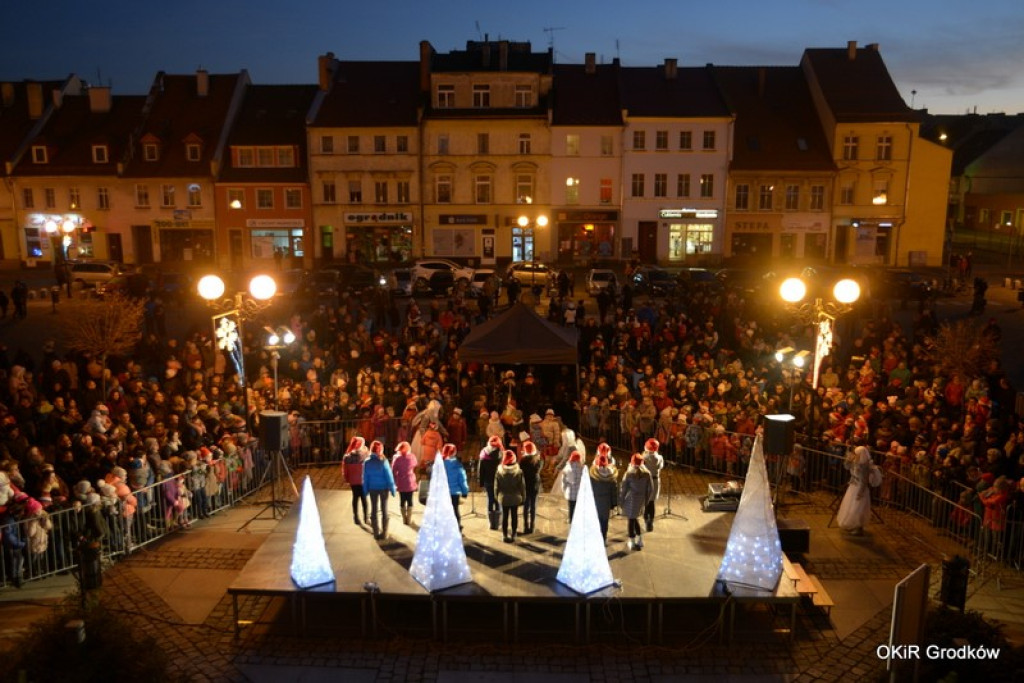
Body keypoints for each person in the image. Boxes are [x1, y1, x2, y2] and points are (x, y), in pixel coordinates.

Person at [363, 440, 396, 539]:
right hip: (383, 488)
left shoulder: (367, 462)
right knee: (384, 509)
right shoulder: (384, 461)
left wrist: (365, 490)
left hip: (373, 488)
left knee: (374, 509)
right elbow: (389, 476)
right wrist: (392, 489)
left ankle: (376, 532)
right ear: (380, 450)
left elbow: (365, 478)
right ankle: (385, 533)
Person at [620, 453, 654, 551]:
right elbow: (650, 489)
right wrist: (646, 500)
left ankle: (632, 541)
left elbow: (624, 488)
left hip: (631, 500)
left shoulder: (629, 474)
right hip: (641, 500)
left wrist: (621, 501)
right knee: (634, 519)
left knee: (631, 520)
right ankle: (639, 539)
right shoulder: (647, 474)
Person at [837, 445, 874, 535]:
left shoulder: (865, 465)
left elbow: (864, 480)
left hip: (860, 488)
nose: (855, 455)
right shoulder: (855, 461)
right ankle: (851, 525)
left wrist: (861, 492)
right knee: (850, 506)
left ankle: (858, 527)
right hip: (853, 487)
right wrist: (848, 460)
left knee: (858, 508)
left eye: (857, 454)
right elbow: (846, 467)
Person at [495, 449, 525, 543]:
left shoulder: (499, 471)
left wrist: (497, 497)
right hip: (515, 497)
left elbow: (496, 487)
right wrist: (523, 497)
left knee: (505, 516)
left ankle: (504, 535)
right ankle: (514, 534)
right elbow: (522, 486)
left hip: (504, 498)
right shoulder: (519, 472)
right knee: (514, 516)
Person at [589, 449, 619, 542]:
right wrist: (614, 503)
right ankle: (603, 537)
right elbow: (614, 491)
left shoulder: (593, 477)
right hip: (606, 503)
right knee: (605, 520)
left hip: (596, 501)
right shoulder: (611, 477)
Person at [341, 436, 368, 525]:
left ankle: (356, 516)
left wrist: (346, 478)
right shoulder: (365, 455)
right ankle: (366, 516)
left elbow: (345, 470)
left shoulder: (347, 457)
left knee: (355, 497)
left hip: (353, 480)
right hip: (362, 480)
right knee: (364, 498)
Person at [442, 443, 469, 531]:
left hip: (443, 492)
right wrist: (465, 491)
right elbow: (462, 479)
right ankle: (457, 526)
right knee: (455, 509)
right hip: (454, 492)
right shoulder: (457, 465)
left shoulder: (440, 464)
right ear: (454, 452)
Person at [478, 435, 503, 530]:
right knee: (498, 500)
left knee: (490, 499)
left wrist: (481, 482)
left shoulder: (483, 453)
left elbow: (481, 470)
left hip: (488, 481)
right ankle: (497, 522)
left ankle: (491, 522)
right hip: (498, 481)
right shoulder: (500, 454)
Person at [391, 441, 418, 525]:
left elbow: (394, 470)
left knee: (402, 500)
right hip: (410, 480)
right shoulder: (412, 457)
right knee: (410, 500)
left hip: (401, 481)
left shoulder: (397, 459)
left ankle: (404, 519)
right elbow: (415, 465)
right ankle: (409, 519)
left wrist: (395, 480)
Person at [518, 439, 542, 534]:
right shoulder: (537, 460)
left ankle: (525, 525)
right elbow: (538, 471)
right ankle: (532, 525)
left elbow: (520, 472)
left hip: (526, 485)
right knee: (533, 506)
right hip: (535, 485)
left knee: (526, 506)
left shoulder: (523, 461)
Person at [641, 438, 664, 532]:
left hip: (646, 481)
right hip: (655, 480)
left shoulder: (644, 458)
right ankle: (651, 522)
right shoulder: (659, 458)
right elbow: (661, 467)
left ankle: (646, 520)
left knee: (647, 502)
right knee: (652, 502)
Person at [561, 450, 585, 521]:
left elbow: (564, 480)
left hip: (571, 492)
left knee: (571, 507)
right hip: (579, 493)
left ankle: (571, 520)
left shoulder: (567, 467)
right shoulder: (582, 468)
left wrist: (564, 489)